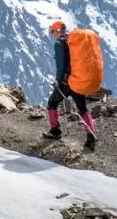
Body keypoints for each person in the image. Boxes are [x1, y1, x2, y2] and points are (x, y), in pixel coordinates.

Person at [44, 20, 98, 150]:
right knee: (83, 108)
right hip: (78, 80)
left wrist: (58, 80)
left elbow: (60, 65)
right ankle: (91, 138)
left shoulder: (59, 44)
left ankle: (55, 131)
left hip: (65, 82)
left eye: (53, 32)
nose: (53, 35)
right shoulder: (73, 42)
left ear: (57, 31)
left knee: (52, 103)